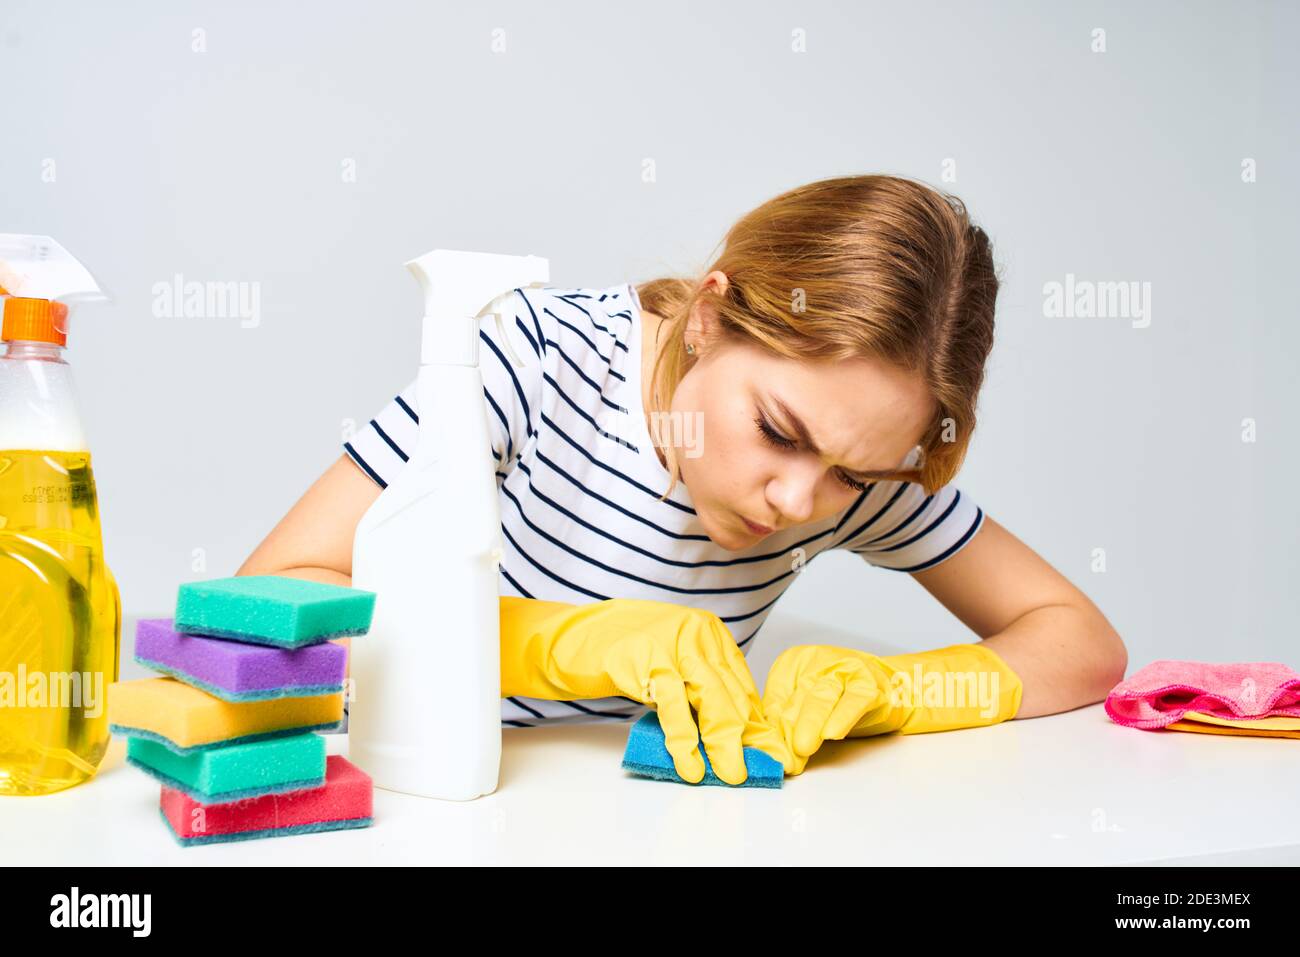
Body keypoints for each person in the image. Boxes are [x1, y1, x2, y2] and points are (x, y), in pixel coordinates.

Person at [238, 174, 1127, 782]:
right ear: (707, 316)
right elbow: (265, 599)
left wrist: (898, 690)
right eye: (777, 430)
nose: (797, 502)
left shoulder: (856, 463)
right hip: (417, 799)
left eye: (850, 477)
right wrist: (562, 642)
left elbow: (1081, 643)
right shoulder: (539, 362)